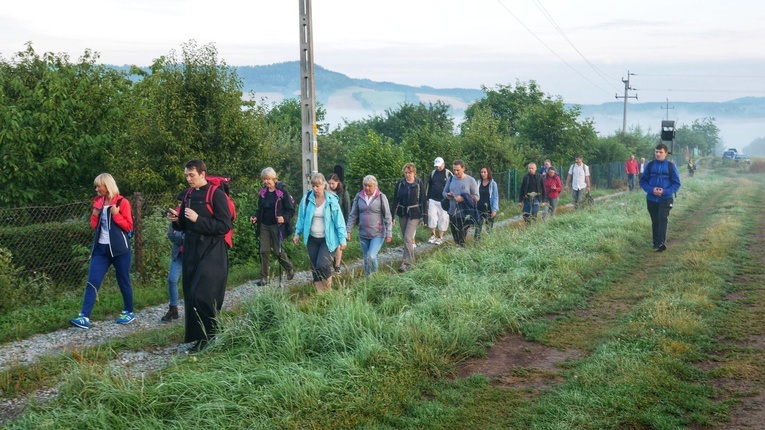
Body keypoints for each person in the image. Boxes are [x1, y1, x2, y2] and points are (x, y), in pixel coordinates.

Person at [168, 159, 233, 353]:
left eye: (192, 175)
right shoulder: (188, 194)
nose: (189, 179)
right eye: (187, 175)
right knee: (190, 294)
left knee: (202, 294)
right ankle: (200, 337)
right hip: (191, 249)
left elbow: (224, 226)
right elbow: (186, 224)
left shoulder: (217, 195)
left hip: (213, 250)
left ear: (203, 174)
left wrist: (199, 219)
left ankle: (209, 336)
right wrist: (176, 221)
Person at [69, 174, 136, 329]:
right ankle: (84, 317)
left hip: (120, 250)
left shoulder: (122, 202)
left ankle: (129, 312)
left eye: (99, 186)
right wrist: (94, 216)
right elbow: (95, 226)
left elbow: (128, 227)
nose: (97, 189)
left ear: (107, 186)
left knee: (123, 280)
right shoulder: (98, 202)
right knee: (92, 281)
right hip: (101, 249)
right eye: (97, 186)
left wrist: (116, 214)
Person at [293, 173, 347, 291]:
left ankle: (328, 291)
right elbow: (302, 218)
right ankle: (320, 294)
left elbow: (339, 221)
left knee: (322, 265)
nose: (315, 189)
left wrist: (343, 239)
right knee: (314, 268)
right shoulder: (307, 198)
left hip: (328, 239)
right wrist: (297, 233)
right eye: (313, 186)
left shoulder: (331, 200)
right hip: (312, 239)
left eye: (317, 186)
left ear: (324, 185)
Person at [250, 167, 295, 287]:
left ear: (274, 179)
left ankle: (289, 268)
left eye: (268, 179)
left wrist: (284, 218)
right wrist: (255, 217)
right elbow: (260, 209)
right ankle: (264, 278)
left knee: (278, 251)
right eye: (264, 179)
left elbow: (290, 210)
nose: (266, 182)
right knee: (263, 251)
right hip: (264, 224)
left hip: (277, 225)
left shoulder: (282, 192)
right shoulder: (263, 193)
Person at [346, 175, 393, 277]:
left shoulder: (381, 197)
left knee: (371, 256)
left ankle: (375, 276)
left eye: (369, 186)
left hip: (378, 233)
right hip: (363, 233)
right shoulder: (359, 196)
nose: (367, 188)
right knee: (366, 259)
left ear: (375, 186)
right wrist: (348, 230)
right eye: (365, 185)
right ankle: (369, 280)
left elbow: (388, 216)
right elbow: (353, 215)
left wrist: (389, 233)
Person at [640, 143, 681, 252]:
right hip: (651, 198)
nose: (658, 154)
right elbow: (643, 181)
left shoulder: (670, 166)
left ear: (666, 153)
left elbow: (676, 183)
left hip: (666, 198)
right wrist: (651, 190)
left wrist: (665, 191)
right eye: (656, 152)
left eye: (660, 152)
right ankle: (655, 242)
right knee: (655, 220)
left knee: (662, 217)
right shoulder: (650, 165)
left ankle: (661, 242)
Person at [392, 163, 426, 272]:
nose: (407, 175)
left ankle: (406, 262)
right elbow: (395, 200)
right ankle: (411, 261)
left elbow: (423, 201)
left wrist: (425, 217)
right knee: (406, 238)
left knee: (407, 237)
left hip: (414, 213)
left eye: (409, 172)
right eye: (406, 172)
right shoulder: (400, 184)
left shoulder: (419, 183)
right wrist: (392, 216)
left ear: (414, 172)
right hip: (402, 212)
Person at [443, 160, 479, 247]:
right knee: (455, 234)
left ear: (463, 169)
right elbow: (444, 192)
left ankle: (462, 250)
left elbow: (477, 197)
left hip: (465, 212)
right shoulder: (451, 179)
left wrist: (463, 198)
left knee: (462, 235)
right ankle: (458, 249)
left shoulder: (470, 180)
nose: (455, 172)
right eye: (454, 170)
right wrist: (448, 195)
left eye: (458, 170)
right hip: (452, 211)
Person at [162, 213, 183, 323]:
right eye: (179, 203)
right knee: (172, 279)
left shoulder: (192, 215)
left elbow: (190, 237)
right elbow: (170, 234)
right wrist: (180, 236)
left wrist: (178, 235)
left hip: (191, 256)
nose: (180, 205)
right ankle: (173, 309)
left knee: (191, 283)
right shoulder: (175, 217)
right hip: (178, 255)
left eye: (181, 203)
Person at [328, 173, 350, 274]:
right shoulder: (326, 193)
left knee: (339, 245)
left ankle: (337, 265)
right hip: (329, 222)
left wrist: (346, 226)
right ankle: (330, 261)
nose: (331, 185)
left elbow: (347, 209)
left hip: (340, 221)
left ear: (338, 182)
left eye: (333, 183)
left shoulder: (343, 192)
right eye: (330, 184)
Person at [426, 156, 452, 245]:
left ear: (443, 164)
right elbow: (429, 186)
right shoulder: (433, 173)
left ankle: (440, 237)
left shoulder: (448, 173)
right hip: (433, 199)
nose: (438, 167)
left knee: (443, 218)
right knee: (432, 218)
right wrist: (427, 199)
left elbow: (452, 186)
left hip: (444, 200)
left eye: (440, 165)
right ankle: (432, 235)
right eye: (437, 166)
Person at [474, 165, 498, 240]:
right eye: (481, 172)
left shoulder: (493, 184)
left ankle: (489, 241)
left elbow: (495, 197)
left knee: (489, 227)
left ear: (488, 173)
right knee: (478, 226)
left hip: (489, 208)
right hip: (479, 208)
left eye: (484, 172)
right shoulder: (477, 183)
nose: (483, 174)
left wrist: (494, 209)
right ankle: (476, 241)